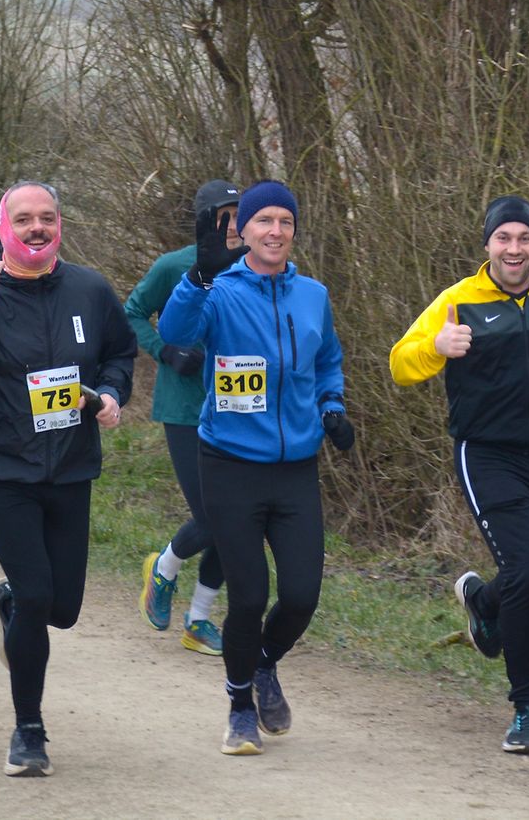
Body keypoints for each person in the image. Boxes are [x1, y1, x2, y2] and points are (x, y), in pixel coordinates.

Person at [0, 180, 137, 777]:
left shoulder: (89, 289)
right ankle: (29, 730)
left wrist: (111, 393)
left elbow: (121, 352)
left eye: (47, 217)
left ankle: (11, 600)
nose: (36, 228)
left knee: (61, 608)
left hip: (70, 465)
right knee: (39, 594)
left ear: (59, 225)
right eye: (23, 219)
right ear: (4, 229)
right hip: (0, 466)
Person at [389, 195, 529, 756]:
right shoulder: (458, 300)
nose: (514, 249)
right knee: (526, 569)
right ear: (487, 243)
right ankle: (527, 710)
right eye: (504, 238)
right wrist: (436, 346)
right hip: (486, 455)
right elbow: (400, 363)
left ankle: (486, 604)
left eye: (524, 238)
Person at [158, 179, 354, 757]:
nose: (275, 231)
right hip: (230, 464)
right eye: (263, 220)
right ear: (243, 230)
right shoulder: (218, 291)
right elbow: (175, 333)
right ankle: (240, 704)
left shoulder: (313, 295)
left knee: (301, 595)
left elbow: (327, 360)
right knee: (247, 597)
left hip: (295, 467)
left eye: (285, 221)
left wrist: (332, 407)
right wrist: (198, 278)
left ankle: (263, 664)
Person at [127, 179, 241, 658]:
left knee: (238, 520)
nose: (233, 225)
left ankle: (198, 619)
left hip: (238, 409)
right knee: (213, 516)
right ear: (203, 220)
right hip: (185, 411)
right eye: (224, 215)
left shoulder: (254, 267)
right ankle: (164, 570)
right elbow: (132, 312)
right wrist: (165, 351)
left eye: (239, 214)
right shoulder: (174, 266)